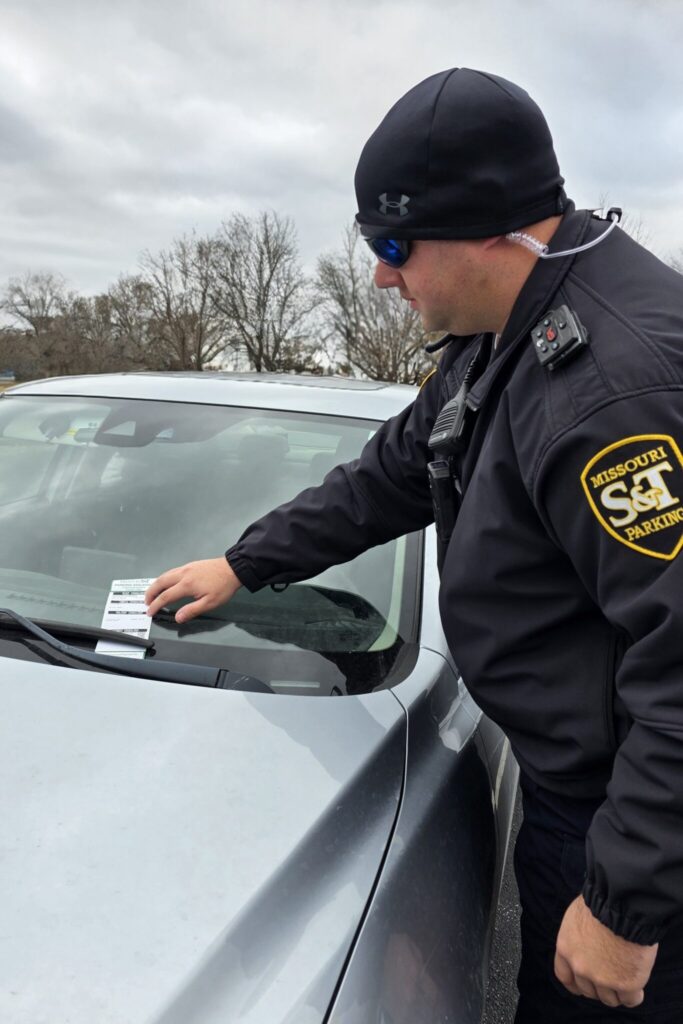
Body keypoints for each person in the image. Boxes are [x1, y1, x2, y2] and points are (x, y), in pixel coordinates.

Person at [145, 68, 683, 1021]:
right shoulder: (506, 328)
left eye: (394, 245)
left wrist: (624, 905)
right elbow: (392, 472)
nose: (381, 275)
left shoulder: (612, 394)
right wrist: (245, 562)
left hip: (631, 830)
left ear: (495, 226)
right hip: (590, 802)